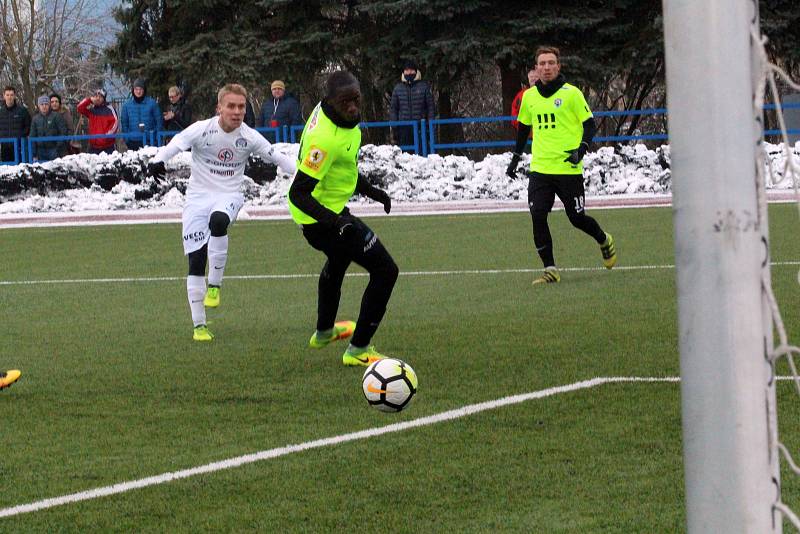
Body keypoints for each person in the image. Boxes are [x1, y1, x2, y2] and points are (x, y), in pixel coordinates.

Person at [147, 83, 296, 342]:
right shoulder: (202, 129)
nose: (237, 111)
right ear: (220, 108)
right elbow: (176, 143)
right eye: (231, 106)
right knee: (195, 260)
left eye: (241, 107)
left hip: (228, 195)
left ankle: (214, 286)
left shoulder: (249, 137)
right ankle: (199, 326)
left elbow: (278, 158)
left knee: (219, 221)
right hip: (197, 198)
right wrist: (158, 160)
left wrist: (307, 176)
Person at [288, 71, 397, 367]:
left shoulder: (340, 119)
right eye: (344, 102)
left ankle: (324, 332)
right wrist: (336, 222)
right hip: (321, 218)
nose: (352, 107)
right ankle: (359, 349)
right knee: (386, 270)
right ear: (329, 101)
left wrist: (372, 191)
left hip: (329, 211)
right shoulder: (323, 140)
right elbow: (297, 193)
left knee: (338, 261)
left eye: (355, 100)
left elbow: (344, 167)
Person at [506, 45, 616, 285]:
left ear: (558, 66)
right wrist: (515, 158)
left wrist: (582, 150)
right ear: (536, 68)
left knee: (576, 218)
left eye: (550, 63)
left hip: (568, 167)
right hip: (541, 169)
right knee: (537, 215)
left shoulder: (572, 94)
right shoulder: (530, 97)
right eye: (542, 64)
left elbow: (589, 125)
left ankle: (603, 239)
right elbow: (524, 127)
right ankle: (550, 269)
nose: (546, 68)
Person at [389, 60, 434, 150]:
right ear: (403, 72)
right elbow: (393, 109)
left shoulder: (424, 87)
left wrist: (430, 126)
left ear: (416, 71)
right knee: (405, 157)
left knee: (422, 156)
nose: (409, 72)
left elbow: (430, 108)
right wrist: (395, 127)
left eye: (411, 70)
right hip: (403, 128)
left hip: (421, 127)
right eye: (406, 70)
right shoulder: (398, 88)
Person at [120, 78, 162, 151]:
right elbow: (124, 123)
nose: (138, 91)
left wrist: (155, 136)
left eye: (140, 89)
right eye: (136, 89)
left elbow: (159, 121)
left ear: (144, 90)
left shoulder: (152, 103)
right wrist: (127, 138)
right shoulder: (126, 105)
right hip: (133, 141)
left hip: (150, 140)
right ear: (133, 90)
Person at [76, 88, 118, 155]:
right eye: (96, 96)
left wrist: (105, 137)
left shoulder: (109, 109)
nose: (98, 98)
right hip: (93, 147)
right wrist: (89, 100)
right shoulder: (92, 110)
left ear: (104, 98)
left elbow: (115, 124)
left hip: (107, 147)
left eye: (100, 96)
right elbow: (79, 108)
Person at [29, 95, 68, 162]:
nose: (44, 106)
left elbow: (63, 131)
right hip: (40, 150)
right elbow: (32, 136)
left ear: (49, 105)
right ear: (39, 105)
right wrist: (34, 153)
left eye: (46, 104)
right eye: (42, 104)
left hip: (53, 149)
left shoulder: (56, 116)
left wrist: (57, 147)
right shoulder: (35, 119)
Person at [0, 86, 32, 163]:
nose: (9, 97)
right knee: (7, 170)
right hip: (5, 146)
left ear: (14, 96)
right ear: (4, 96)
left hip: (19, 146)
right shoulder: (1, 112)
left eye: (11, 95)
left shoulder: (22, 110)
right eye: (7, 95)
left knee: (20, 170)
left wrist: (21, 135)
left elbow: (29, 125)